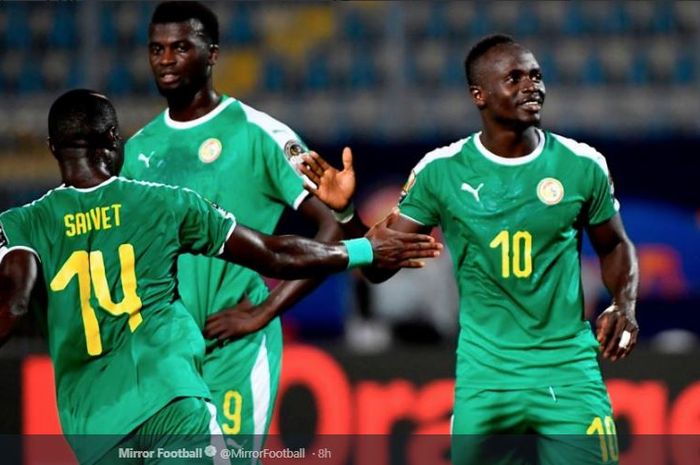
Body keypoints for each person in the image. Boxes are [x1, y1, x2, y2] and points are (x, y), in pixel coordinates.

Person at [0, 89, 440, 464]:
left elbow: (15, 302)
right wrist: (365, 248)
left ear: (52, 146)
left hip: (91, 425)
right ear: (114, 141)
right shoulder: (164, 203)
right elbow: (274, 254)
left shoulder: (21, 224)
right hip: (170, 400)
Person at [297, 35, 639, 465]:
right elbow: (377, 266)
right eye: (514, 78)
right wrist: (346, 214)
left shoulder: (582, 164)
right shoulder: (441, 172)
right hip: (485, 377)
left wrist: (623, 304)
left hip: (568, 370)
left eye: (535, 76)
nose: (531, 86)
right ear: (479, 94)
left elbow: (615, 245)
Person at [119, 2, 345, 453]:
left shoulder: (262, 133)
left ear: (213, 53)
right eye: (157, 49)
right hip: (166, 357)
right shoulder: (137, 149)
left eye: (181, 47)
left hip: (234, 349)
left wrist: (265, 311)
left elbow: (335, 226)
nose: (166, 60)